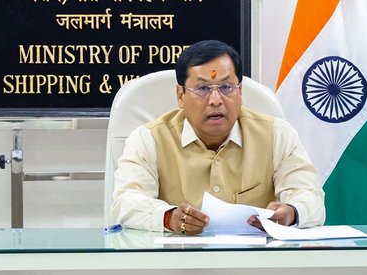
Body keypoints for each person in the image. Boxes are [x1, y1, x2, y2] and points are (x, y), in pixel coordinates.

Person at [111, 40, 325, 234]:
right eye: (202, 88)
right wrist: (168, 217)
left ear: (240, 92)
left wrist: (291, 212)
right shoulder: (149, 139)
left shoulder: (277, 134)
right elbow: (126, 202)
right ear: (180, 95)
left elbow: (310, 197)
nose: (215, 100)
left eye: (226, 87)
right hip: (178, 261)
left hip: (256, 261)